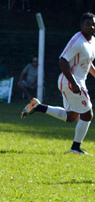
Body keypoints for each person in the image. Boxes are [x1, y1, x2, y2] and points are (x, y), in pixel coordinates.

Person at [21, 13, 95, 155]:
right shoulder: (77, 40)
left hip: (75, 81)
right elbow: (63, 60)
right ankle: (75, 148)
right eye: (88, 24)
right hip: (71, 81)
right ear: (81, 26)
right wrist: (73, 83)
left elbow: (88, 63)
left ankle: (38, 107)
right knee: (87, 115)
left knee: (72, 117)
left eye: (93, 24)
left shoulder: (93, 41)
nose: (91, 27)